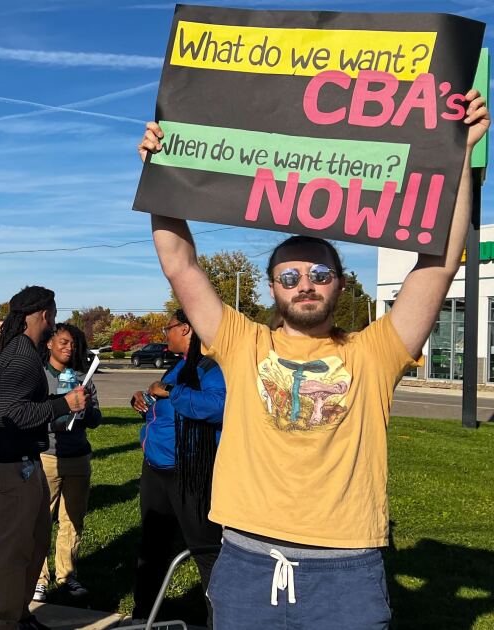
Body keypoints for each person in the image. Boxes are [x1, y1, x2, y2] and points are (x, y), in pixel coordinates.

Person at [137, 90, 488, 628]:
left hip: (347, 571)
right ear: (273, 287)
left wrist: (459, 156)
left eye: (321, 275)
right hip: (246, 563)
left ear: (339, 284)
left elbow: (437, 264)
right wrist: (161, 177)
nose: (307, 285)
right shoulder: (240, 342)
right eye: (291, 276)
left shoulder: (376, 351)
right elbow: (180, 263)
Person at [0, 286, 88, 630]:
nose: (54, 323)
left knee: (36, 537)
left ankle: (19, 611)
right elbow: (15, 412)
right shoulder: (20, 355)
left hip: (26, 459)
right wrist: (64, 404)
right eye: (53, 316)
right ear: (44, 314)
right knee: (14, 546)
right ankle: (2, 619)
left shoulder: (22, 351)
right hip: (13, 462)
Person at [127, 310, 224, 623]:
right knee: (152, 546)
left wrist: (171, 392)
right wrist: (144, 401)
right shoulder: (179, 366)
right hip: (156, 470)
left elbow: (217, 407)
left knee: (204, 549)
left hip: (189, 472)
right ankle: (144, 617)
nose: (164, 335)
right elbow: (168, 411)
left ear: (186, 329)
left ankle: (218, 620)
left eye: (168, 328)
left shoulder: (212, 367)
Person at [35, 323, 101, 602]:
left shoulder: (83, 379)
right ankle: (38, 578)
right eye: (62, 342)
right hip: (47, 456)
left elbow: (97, 419)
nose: (68, 348)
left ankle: (67, 575)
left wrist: (85, 412)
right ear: (49, 343)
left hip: (78, 457)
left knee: (72, 520)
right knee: (40, 520)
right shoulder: (38, 377)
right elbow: (31, 414)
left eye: (73, 344)